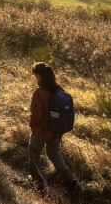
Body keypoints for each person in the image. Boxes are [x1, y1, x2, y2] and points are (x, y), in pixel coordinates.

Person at [29, 62, 78, 192]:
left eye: (35, 75)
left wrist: (32, 125)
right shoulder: (59, 89)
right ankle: (69, 180)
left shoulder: (39, 93)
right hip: (57, 130)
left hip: (41, 131)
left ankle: (36, 181)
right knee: (54, 153)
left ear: (39, 76)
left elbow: (36, 115)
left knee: (34, 152)